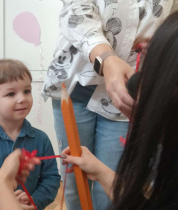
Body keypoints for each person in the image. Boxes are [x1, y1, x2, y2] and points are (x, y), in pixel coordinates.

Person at [42, 1, 178, 209]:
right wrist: (105, 58)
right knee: (76, 182)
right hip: (79, 86)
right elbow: (76, 10)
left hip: (129, 90)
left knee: (112, 185)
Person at [0, 59, 61, 210]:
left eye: (27, 91)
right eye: (11, 94)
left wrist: (34, 200)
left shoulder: (41, 139)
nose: (22, 99)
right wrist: (6, 200)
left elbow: (51, 178)